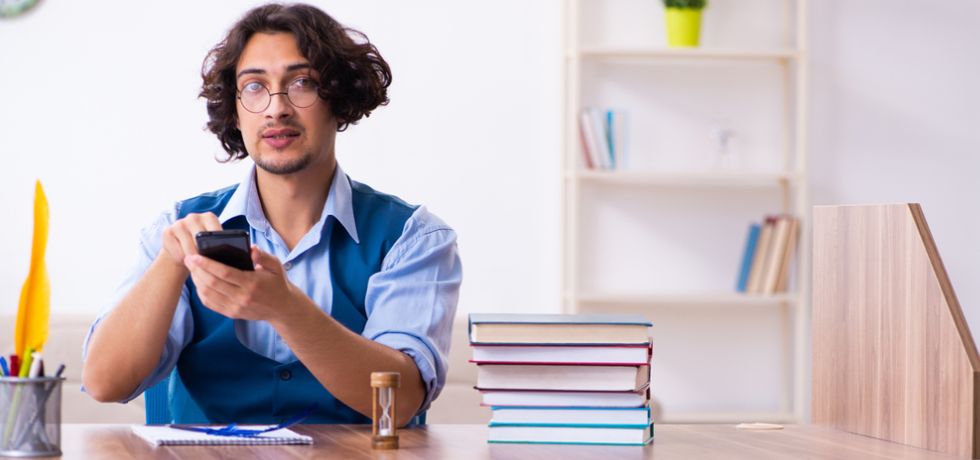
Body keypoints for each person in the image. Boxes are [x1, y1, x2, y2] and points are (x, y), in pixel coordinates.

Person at [80, 3, 461, 426]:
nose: (276, 108)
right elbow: (103, 384)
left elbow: (401, 400)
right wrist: (171, 267)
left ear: (339, 97)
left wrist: (285, 308)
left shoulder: (413, 237)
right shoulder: (178, 230)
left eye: (302, 83)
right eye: (255, 87)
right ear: (236, 109)